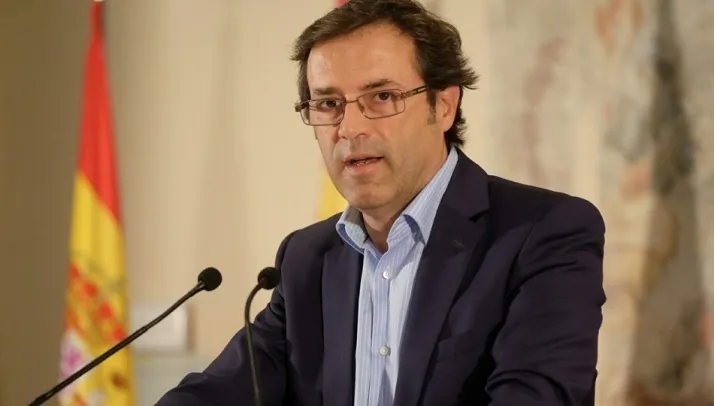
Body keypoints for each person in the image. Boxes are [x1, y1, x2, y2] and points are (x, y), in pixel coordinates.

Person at [156, 0, 606, 404]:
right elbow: (223, 390)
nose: (349, 128)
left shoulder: (544, 233)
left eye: (382, 96)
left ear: (444, 106)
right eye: (328, 103)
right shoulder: (307, 259)